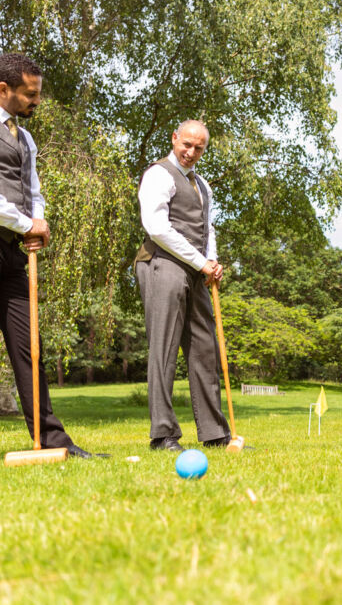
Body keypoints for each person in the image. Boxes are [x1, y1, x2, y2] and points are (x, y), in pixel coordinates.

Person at [0, 53, 97, 467]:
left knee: (30, 347)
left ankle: (51, 440)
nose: (36, 101)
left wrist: (36, 220)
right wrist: (24, 222)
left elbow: (32, 190)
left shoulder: (25, 139)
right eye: (30, 94)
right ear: (4, 89)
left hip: (11, 250)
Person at [135, 119, 232, 451]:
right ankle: (163, 434)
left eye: (198, 148)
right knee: (163, 349)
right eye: (186, 144)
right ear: (174, 138)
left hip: (195, 270)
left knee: (205, 348)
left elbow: (209, 227)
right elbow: (157, 227)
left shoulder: (203, 184)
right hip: (162, 264)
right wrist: (199, 261)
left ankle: (215, 433)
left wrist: (212, 262)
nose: (191, 152)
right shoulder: (159, 174)